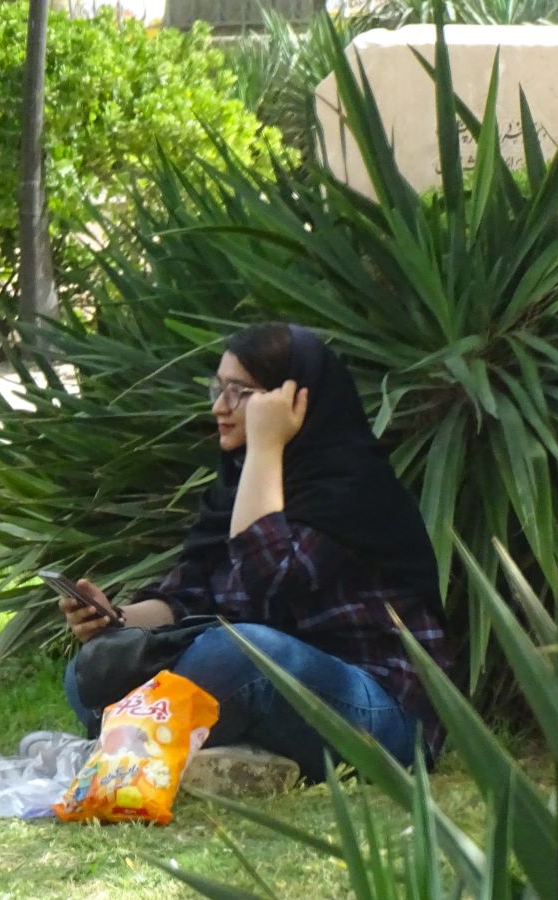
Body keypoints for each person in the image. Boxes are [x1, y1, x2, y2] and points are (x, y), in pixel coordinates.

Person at [58, 323, 454, 778]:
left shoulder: (351, 488)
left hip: (385, 716)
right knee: (95, 668)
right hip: (282, 688)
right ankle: (189, 740)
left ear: (292, 400)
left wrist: (267, 444)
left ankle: (146, 736)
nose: (219, 407)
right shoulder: (239, 485)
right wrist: (116, 620)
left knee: (238, 655)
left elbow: (265, 582)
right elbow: (188, 596)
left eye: (239, 392)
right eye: (218, 387)